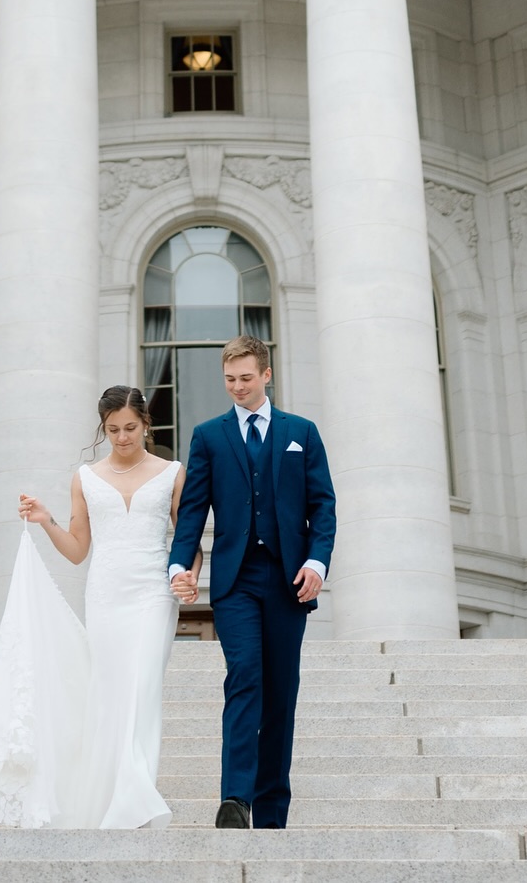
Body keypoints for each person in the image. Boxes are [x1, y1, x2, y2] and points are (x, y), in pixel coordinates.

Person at [0, 385, 185, 828]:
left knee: (141, 687)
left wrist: (187, 573)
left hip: (152, 591)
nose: (122, 437)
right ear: (103, 428)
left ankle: (136, 790)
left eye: (130, 428)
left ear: (147, 425)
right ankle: (114, 795)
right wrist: (46, 519)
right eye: (113, 430)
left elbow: (185, 540)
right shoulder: (84, 478)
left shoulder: (173, 472)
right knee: (110, 693)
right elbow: (76, 550)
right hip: (105, 593)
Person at [168, 335, 336, 831]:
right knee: (244, 677)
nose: (237, 388)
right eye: (229, 380)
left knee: (281, 692)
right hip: (236, 579)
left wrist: (317, 564)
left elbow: (322, 506)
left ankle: (272, 812)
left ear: (266, 375)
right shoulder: (209, 436)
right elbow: (193, 509)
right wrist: (179, 566)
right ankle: (235, 799)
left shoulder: (300, 432)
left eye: (245, 378)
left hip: (288, 580)